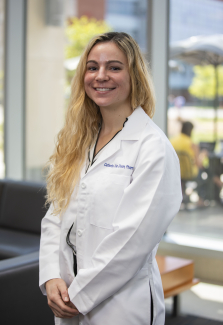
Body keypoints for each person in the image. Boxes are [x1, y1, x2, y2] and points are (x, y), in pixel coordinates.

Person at [39, 32, 182, 325]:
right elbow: (56, 214)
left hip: (121, 306)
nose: (100, 76)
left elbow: (132, 240)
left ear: (135, 77)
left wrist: (79, 296)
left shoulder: (152, 147)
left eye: (114, 67)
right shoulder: (80, 141)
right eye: (92, 67)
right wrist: (51, 274)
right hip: (67, 297)